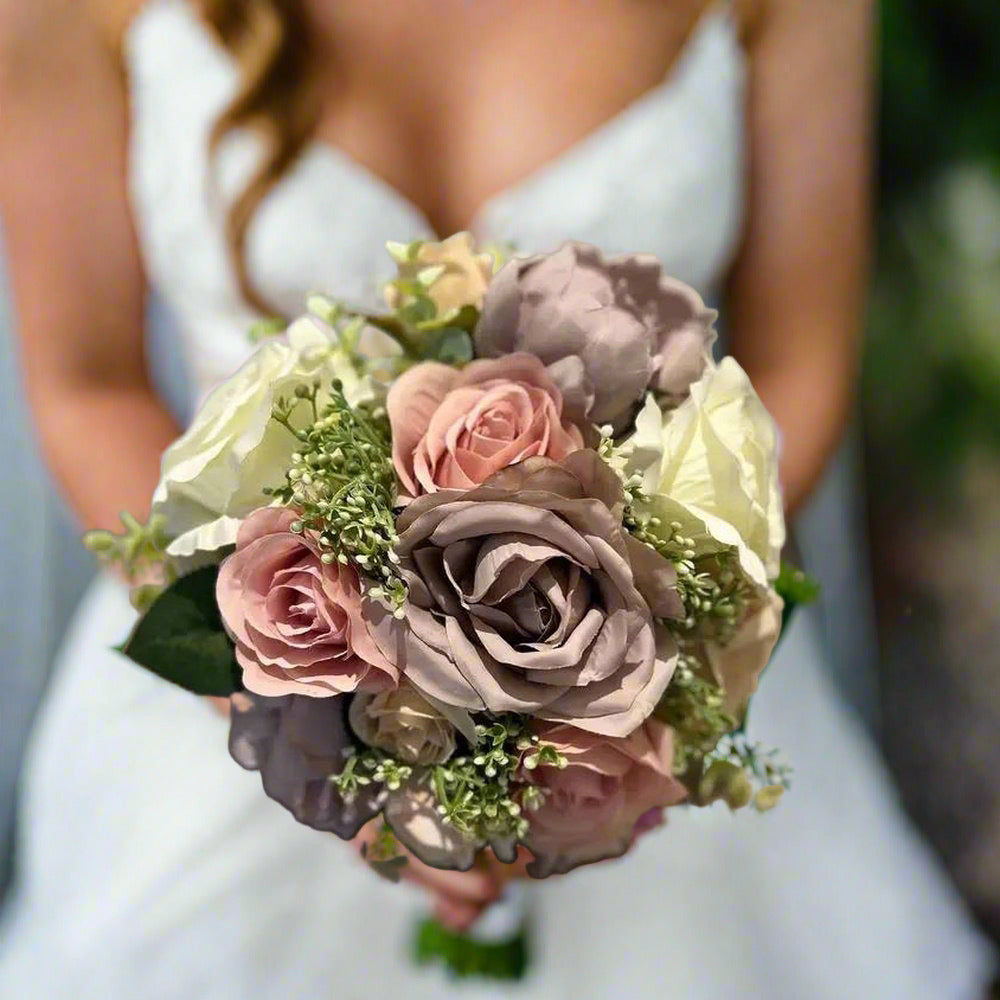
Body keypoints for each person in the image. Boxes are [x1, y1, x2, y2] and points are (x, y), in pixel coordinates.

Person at [0, 0, 994, 996]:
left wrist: (598, 689)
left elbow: (797, 368)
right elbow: (89, 385)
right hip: (219, 742)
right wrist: (321, 730)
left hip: (652, 735)